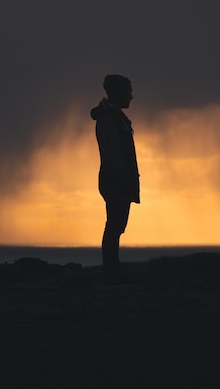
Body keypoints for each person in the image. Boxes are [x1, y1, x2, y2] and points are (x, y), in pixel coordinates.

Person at [90, 75, 140, 285]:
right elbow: (112, 152)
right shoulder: (110, 118)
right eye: (129, 91)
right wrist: (125, 175)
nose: (132, 96)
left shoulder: (114, 116)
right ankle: (112, 274)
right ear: (119, 93)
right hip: (116, 180)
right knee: (114, 226)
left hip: (117, 179)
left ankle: (113, 271)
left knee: (116, 226)